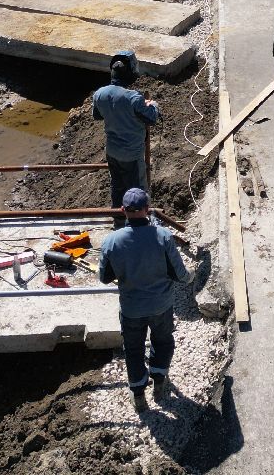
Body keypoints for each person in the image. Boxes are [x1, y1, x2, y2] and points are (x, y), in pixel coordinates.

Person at [98, 187, 190, 413]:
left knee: (133, 349)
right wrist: (192, 277)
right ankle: (159, 382)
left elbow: (104, 277)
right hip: (161, 306)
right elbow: (180, 275)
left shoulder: (111, 241)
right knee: (163, 341)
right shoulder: (163, 237)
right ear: (148, 210)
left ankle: (139, 395)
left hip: (131, 309)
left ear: (123, 210)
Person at [92, 50, 159, 218]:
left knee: (118, 186)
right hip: (131, 154)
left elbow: (98, 115)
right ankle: (138, 226)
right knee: (137, 192)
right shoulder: (133, 98)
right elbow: (151, 118)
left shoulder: (100, 94)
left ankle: (118, 220)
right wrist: (153, 105)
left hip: (112, 152)